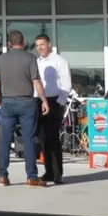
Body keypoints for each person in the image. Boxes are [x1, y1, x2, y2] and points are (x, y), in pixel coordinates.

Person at [0, 29, 49, 187]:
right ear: (23, 42)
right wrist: (44, 100)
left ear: (9, 43)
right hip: (26, 102)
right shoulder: (30, 58)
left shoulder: (0, 60)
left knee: (4, 140)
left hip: (7, 103)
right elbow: (36, 82)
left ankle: (3, 175)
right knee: (29, 139)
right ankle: (32, 177)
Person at [35, 34, 71, 184]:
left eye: (42, 44)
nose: (40, 48)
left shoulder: (60, 61)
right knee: (42, 139)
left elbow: (66, 83)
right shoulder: (36, 62)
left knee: (53, 138)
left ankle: (57, 173)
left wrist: (59, 102)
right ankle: (48, 171)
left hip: (54, 101)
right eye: (37, 45)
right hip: (38, 101)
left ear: (49, 44)